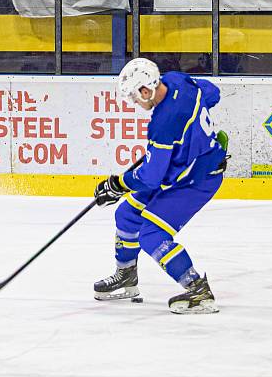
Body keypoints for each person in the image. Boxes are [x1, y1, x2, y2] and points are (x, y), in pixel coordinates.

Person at [93, 58, 228, 314]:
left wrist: (117, 184)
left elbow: (151, 178)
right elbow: (212, 92)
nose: (135, 102)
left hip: (197, 179)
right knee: (126, 214)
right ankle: (126, 277)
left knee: (152, 235)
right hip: (183, 168)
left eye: (135, 97)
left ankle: (198, 290)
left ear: (146, 90)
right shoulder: (177, 80)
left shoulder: (163, 124)